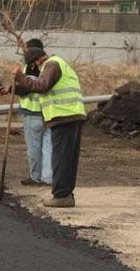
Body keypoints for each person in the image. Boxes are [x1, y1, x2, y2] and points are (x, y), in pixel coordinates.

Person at [13, 48, 86, 207]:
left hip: (64, 116)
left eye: (35, 67)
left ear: (36, 62)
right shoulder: (59, 64)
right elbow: (40, 88)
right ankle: (66, 194)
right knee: (68, 159)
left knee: (60, 157)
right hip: (71, 116)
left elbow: (42, 86)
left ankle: (61, 195)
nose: (37, 70)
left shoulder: (52, 65)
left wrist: (20, 77)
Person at [0, 39, 52, 187]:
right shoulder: (50, 66)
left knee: (34, 148)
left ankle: (36, 177)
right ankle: (48, 178)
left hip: (33, 113)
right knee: (48, 147)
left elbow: (28, 87)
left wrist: (13, 88)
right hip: (49, 113)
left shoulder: (31, 67)